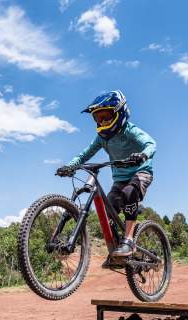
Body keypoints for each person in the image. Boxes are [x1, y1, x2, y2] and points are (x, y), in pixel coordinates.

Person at [57, 90, 156, 258]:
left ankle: (129, 241)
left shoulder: (129, 131)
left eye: (106, 117)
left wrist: (143, 155)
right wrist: (70, 166)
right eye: (98, 118)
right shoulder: (102, 138)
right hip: (119, 179)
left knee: (129, 193)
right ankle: (119, 248)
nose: (101, 121)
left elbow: (150, 143)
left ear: (120, 112)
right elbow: (84, 155)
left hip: (141, 172)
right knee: (107, 211)